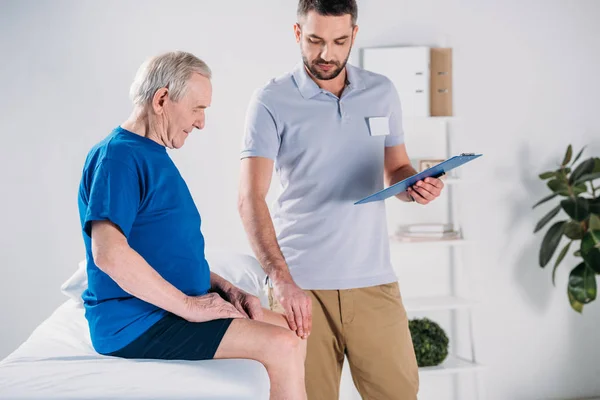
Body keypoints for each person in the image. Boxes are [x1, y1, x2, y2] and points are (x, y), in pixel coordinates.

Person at [238, 1, 444, 398]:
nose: (326, 54)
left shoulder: (381, 91)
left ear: (354, 35)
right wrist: (281, 281)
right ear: (298, 34)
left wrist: (416, 186)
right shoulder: (270, 100)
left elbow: (397, 168)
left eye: (338, 41)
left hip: (374, 282)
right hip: (300, 288)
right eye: (314, 40)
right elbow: (250, 198)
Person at [78, 51, 307, 400]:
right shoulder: (119, 156)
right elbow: (108, 253)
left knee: (294, 329)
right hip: (135, 321)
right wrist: (190, 307)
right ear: (162, 99)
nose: (201, 123)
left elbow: (161, 252)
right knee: (283, 345)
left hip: (163, 309)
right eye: (198, 108)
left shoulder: (151, 155)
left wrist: (220, 286)